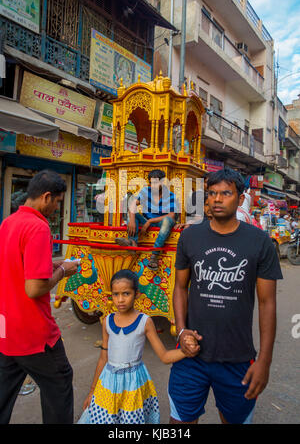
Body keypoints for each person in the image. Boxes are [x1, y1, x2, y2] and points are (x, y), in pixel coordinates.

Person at [168, 168, 283, 424]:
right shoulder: (189, 237)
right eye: (212, 193)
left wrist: (264, 361)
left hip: (237, 358)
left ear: (240, 199)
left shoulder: (259, 242)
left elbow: (267, 303)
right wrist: (181, 331)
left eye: (226, 193)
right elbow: (180, 287)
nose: (217, 199)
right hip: (190, 355)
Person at [0, 170, 80, 424]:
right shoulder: (38, 226)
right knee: (59, 384)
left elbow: (16, 266)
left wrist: (52, 263)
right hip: (34, 333)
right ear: (46, 197)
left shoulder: (8, 223)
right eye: (57, 201)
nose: (58, 208)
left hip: (6, 330)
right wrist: (63, 271)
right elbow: (34, 288)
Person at [78, 269, 198, 424]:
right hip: (108, 384)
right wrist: (92, 391)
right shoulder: (107, 321)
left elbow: (165, 356)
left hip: (133, 385)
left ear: (137, 294)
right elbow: (103, 357)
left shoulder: (144, 322)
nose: (120, 299)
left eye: (126, 293)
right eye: (116, 294)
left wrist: (185, 351)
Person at [115, 169, 178, 270]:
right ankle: (132, 243)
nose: (154, 186)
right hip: (146, 221)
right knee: (132, 213)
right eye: (152, 183)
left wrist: (149, 221)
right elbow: (132, 204)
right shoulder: (145, 191)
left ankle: (154, 255)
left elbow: (171, 215)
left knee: (168, 220)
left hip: (161, 224)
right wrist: (131, 219)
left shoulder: (171, 195)